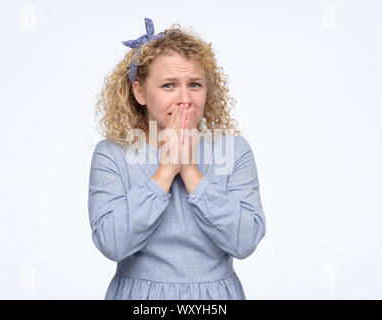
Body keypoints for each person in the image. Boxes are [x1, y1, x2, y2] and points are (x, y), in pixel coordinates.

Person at [88, 18, 266, 300]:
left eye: (195, 84)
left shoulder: (233, 150)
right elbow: (111, 242)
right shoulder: (112, 154)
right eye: (169, 85)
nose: (185, 99)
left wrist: (191, 172)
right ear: (139, 92)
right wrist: (165, 171)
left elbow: (245, 241)